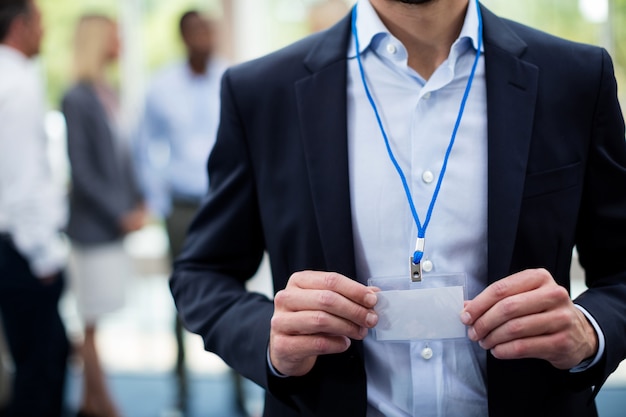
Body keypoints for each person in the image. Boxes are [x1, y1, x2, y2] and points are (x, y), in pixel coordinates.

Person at [170, 0, 626, 416]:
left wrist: (589, 332)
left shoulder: (575, 78)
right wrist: (268, 339)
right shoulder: (262, 92)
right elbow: (201, 274)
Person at [135, 10, 228, 415]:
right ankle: (181, 392)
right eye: (196, 31)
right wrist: (158, 199)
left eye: (208, 29)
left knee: (234, 293)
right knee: (181, 295)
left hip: (226, 204)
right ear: (183, 37)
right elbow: (144, 147)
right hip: (183, 207)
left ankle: (240, 392)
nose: (203, 37)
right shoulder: (162, 87)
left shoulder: (231, 78)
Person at [62, 14, 146, 417]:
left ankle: (87, 404)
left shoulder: (105, 92)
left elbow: (121, 159)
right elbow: (83, 171)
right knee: (90, 321)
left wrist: (139, 200)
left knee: (97, 319)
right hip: (92, 230)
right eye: (115, 36)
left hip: (112, 228)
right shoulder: (77, 97)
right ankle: (105, 406)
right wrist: (120, 213)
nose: (121, 43)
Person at [0, 1, 70, 416]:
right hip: (22, 249)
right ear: (22, 27)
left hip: (12, 244)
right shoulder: (19, 81)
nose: (44, 34)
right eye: (41, 24)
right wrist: (43, 253)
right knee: (41, 369)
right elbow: (22, 178)